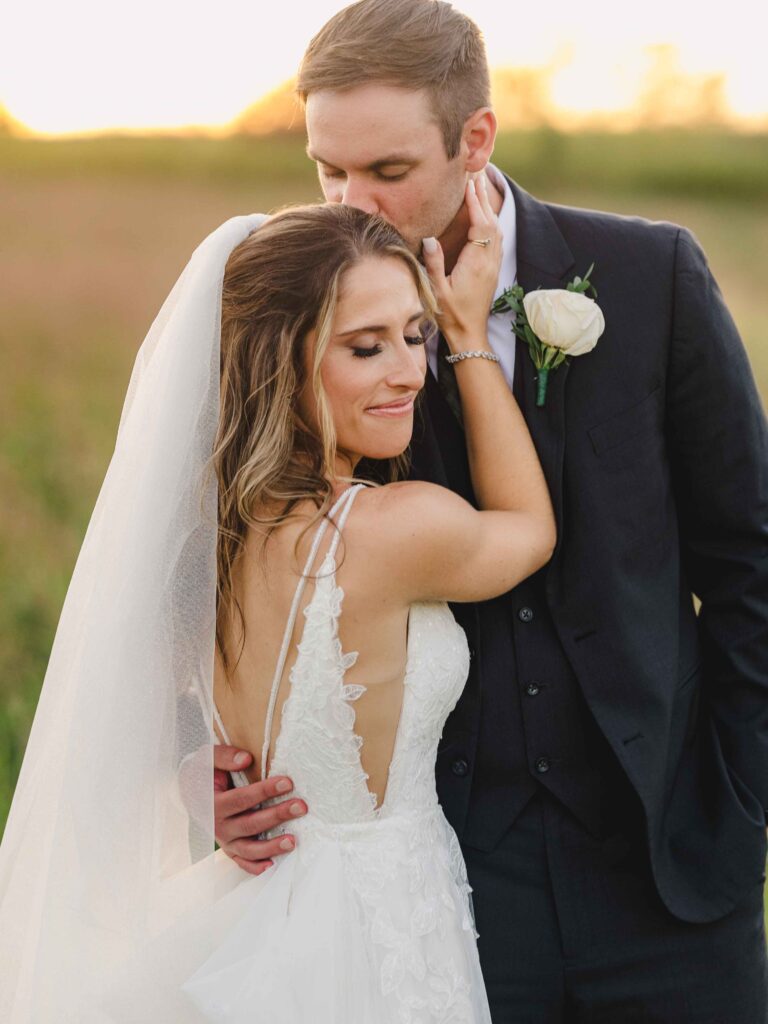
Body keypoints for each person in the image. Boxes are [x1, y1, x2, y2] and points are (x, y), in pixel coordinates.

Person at [211, 1, 768, 1020]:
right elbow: (235, 553)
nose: (352, 200)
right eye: (327, 169)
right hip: (451, 887)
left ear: (476, 139)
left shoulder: (653, 277)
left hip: (671, 866)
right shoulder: (309, 311)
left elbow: (751, 560)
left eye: (386, 169)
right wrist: (213, 766)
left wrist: (743, 800)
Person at [0, 195, 556, 1019]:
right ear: (275, 361)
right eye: (366, 347)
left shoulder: (198, 544)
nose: (409, 371)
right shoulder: (394, 531)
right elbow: (528, 530)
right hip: (372, 925)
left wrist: (201, 781)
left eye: (419, 333)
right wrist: (470, 338)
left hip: (252, 913)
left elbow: (148, 728)